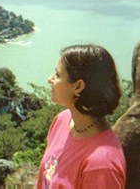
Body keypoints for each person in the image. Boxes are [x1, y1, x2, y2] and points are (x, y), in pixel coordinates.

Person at [36, 44, 126, 189]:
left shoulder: (101, 165)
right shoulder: (62, 121)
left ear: (78, 87)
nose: (49, 79)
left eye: (57, 75)